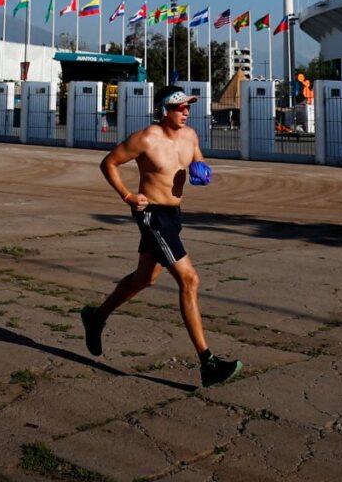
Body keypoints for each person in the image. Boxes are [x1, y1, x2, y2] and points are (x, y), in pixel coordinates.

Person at [82, 85, 242, 387]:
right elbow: (109, 163)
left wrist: (201, 170)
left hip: (173, 216)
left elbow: (199, 161)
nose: (185, 112)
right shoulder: (146, 138)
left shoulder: (190, 136)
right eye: (179, 107)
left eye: (187, 107)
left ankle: (96, 316)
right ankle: (208, 363)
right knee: (189, 280)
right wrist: (128, 195)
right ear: (164, 110)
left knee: (144, 278)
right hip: (151, 214)